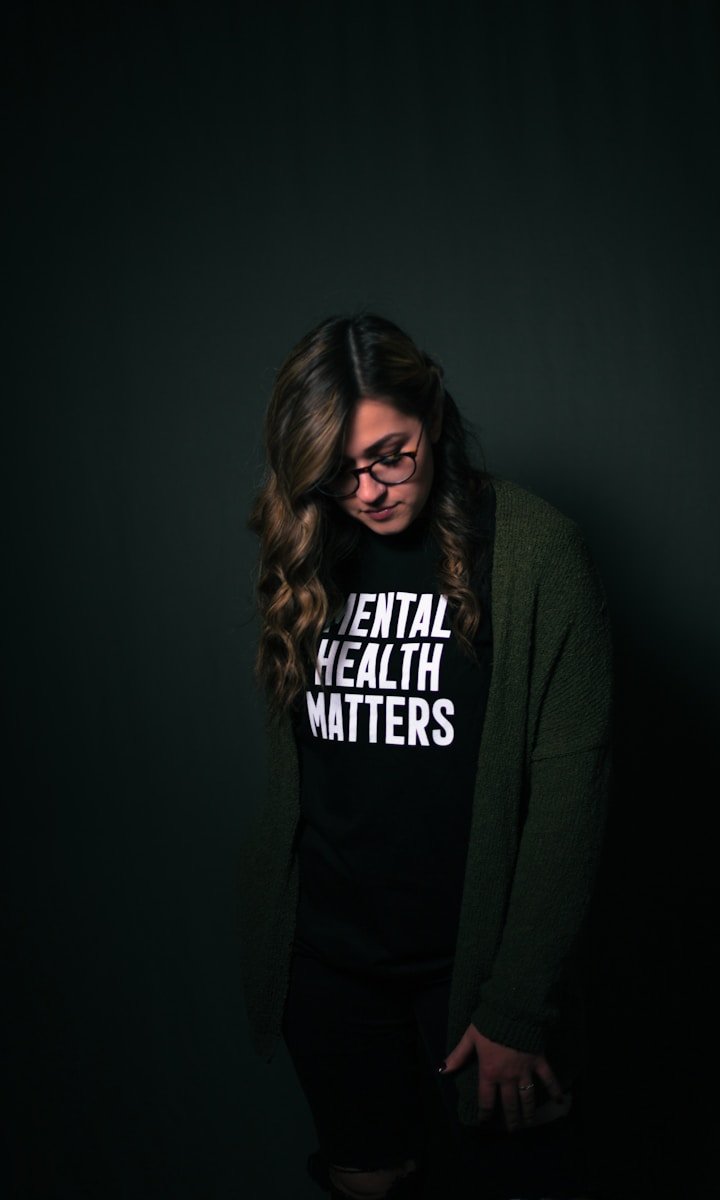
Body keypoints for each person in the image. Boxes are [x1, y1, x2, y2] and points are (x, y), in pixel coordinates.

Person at [237, 314, 613, 1200]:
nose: (366, 491)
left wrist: (516, 1005)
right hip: (329, 965)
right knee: (367, 1179)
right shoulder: (309, 544)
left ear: (432, 415)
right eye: (335, 473)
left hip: (471, 970)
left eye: (389, 455)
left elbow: (572, 792)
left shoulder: (535, 554)